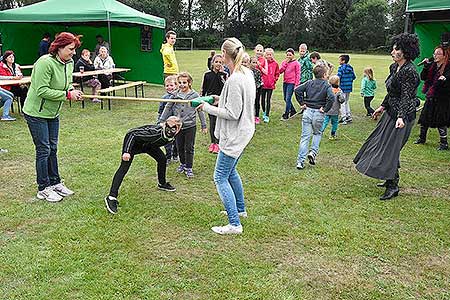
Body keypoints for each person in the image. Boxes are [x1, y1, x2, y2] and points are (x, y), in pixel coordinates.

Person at [198, 37, 256, 235]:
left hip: (235, 135)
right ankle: (240, 210)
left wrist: (207, 108)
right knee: (231, 172)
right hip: (244, 132)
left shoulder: (235, 79)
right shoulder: (246, 73)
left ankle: (234, 224)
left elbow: (233, 113)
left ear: (224, 55)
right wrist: (218, 99)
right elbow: (233, 101)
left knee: (220, 176)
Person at [354, 33, 420, 201]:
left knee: (391, 149)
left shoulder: (410, 71)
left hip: (402, 117)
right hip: (391, 112)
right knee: (380, 144)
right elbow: (392, 92)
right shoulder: (394, 67)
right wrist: (382, 107)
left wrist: (401, 117)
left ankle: (393, 185)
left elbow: (407, 96)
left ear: (405, 52)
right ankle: (388, 177)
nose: (393, 51)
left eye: (396, 49)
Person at [22, 32, 84, 202]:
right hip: (36, 113)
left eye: (74, 49)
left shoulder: (69, 63)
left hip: (52, 113)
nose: (73, 53)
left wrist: (71, 90)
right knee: (44, 149)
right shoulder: (45, 63)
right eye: (70, 49)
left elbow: (66, 83)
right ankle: (43, 188)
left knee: (53, 148)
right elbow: (41, 90)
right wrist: (67, 95)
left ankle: (55, 182)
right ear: (59, 47)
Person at [104, 116, 182, 214]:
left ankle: (162, 184)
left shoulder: (176, 133)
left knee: (162, 159)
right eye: (168, 126)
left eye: (173, 128)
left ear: (178, 129)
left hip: (149, 145)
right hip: (134, 144)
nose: (170, 130)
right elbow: (132, 134)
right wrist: (126, 151)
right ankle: (111, 197)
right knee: (124, 168)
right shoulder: (155, 133)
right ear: (165, 125)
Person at [159, 72, 207, 178]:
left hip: (190, 126)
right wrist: (162, 120)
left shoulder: (194, 95)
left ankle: (189, 167)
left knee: (189, 147)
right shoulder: (175, 95)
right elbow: (168, 107)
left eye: (184, 82)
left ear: (189, 83)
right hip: (178, 126)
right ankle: (182, 164)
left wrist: (204, 125)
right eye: (179, 82)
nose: (182, 85)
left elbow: (200, 110)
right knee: (179, 146)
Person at [294, 64, 334, 169]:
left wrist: (302, 103)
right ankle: (313, 152)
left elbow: (297, 90)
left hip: (307, 112)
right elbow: (331, 97)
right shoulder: (327, 85)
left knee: (305, 137)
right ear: (325, 75)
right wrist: (325, 109)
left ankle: (300, 162)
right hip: (319, 113)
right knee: (317, 134)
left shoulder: (309, 83)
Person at [415, 45, 450, 150]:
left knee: (441, 120)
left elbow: (447, 81)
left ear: (444, 56)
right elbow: (423, 77)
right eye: (435, 53)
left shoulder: (448, 67)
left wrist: (444, 79)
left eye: (438, 53)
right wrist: (425, 66)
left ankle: (444, 143)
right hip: (431, 95)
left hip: (443, 97)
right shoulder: (432, 66)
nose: (435, 55)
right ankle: (422, 138)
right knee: (425, 117)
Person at [200, 54, 227, 154]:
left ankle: (219, 143)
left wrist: (221, 75)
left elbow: (225, 88)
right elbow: (204, 88)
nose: (218, 64)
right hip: (211, 101)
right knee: (212, 122)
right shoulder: (207, 75)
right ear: (212, 63)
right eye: (216, 62)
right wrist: (202, 98)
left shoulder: (224, 75)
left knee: (219, 122)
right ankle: (213, 143)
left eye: (220, 62)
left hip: (221, 101)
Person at [158, 75, 179, 164]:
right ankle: (168, 156)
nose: (169, 87)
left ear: (176, 86)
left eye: (171, 85)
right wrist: (160, 121)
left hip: (176, 122)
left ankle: (175, 154)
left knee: (177, 140)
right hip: (167, 123)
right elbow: (160, 110)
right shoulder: (164, 98)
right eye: (167, 85)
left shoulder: (179, 97)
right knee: (167, 140)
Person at [321, 75, 345, 140]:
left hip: (327, 109)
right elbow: (342, 100)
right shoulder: (339, 91)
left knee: (325, 121)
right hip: (335, 111)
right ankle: (332, 134)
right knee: (334, 123)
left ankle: (320, 132)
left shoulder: (327, 89)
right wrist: (340, 95)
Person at [279, 48, 300, 120]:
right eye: (287, 55)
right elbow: (280, 71)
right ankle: (293, 110)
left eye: (290, 55)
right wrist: (285, 63)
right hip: (285, 82)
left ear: (293, 55)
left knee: (288, 98)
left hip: (292, 83)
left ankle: (286, 114)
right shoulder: (284, 62)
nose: (288, 56)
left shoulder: (296, 63)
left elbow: (298, 74)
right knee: (285, 98)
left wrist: (296, 84)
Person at [261, 48, 279, 123]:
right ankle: (264, 111)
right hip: (263, 85)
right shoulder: (263, 62)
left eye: (270, 54)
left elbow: (277, 74)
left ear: (272, 55)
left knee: (268, 100)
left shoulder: (275, 64)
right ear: (265, 55)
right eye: (267, 54)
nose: (269, 56)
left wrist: (274, 80)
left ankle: (267, 115)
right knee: (262, 100)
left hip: (270, 86)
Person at [337, 54, 356, 124]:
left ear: (343, 61)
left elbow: (338, 77)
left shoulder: (341, 68)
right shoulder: (350, 68)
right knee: (346, 101)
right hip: (349, 87)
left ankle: (343, 117)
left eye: (339, 60)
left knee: (342, 102)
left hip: (342, 87)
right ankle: (348, 116)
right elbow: (354, 77)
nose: (338, 61)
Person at [250, 56, 262, 124]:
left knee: (257, 102)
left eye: (256, 63)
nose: (254, 64)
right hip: (249, 90)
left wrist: (256, 88)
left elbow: (259, 81)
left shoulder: (258, 72)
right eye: (253, 62)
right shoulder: (247, 71)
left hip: (257, 89)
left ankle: (256, 116)